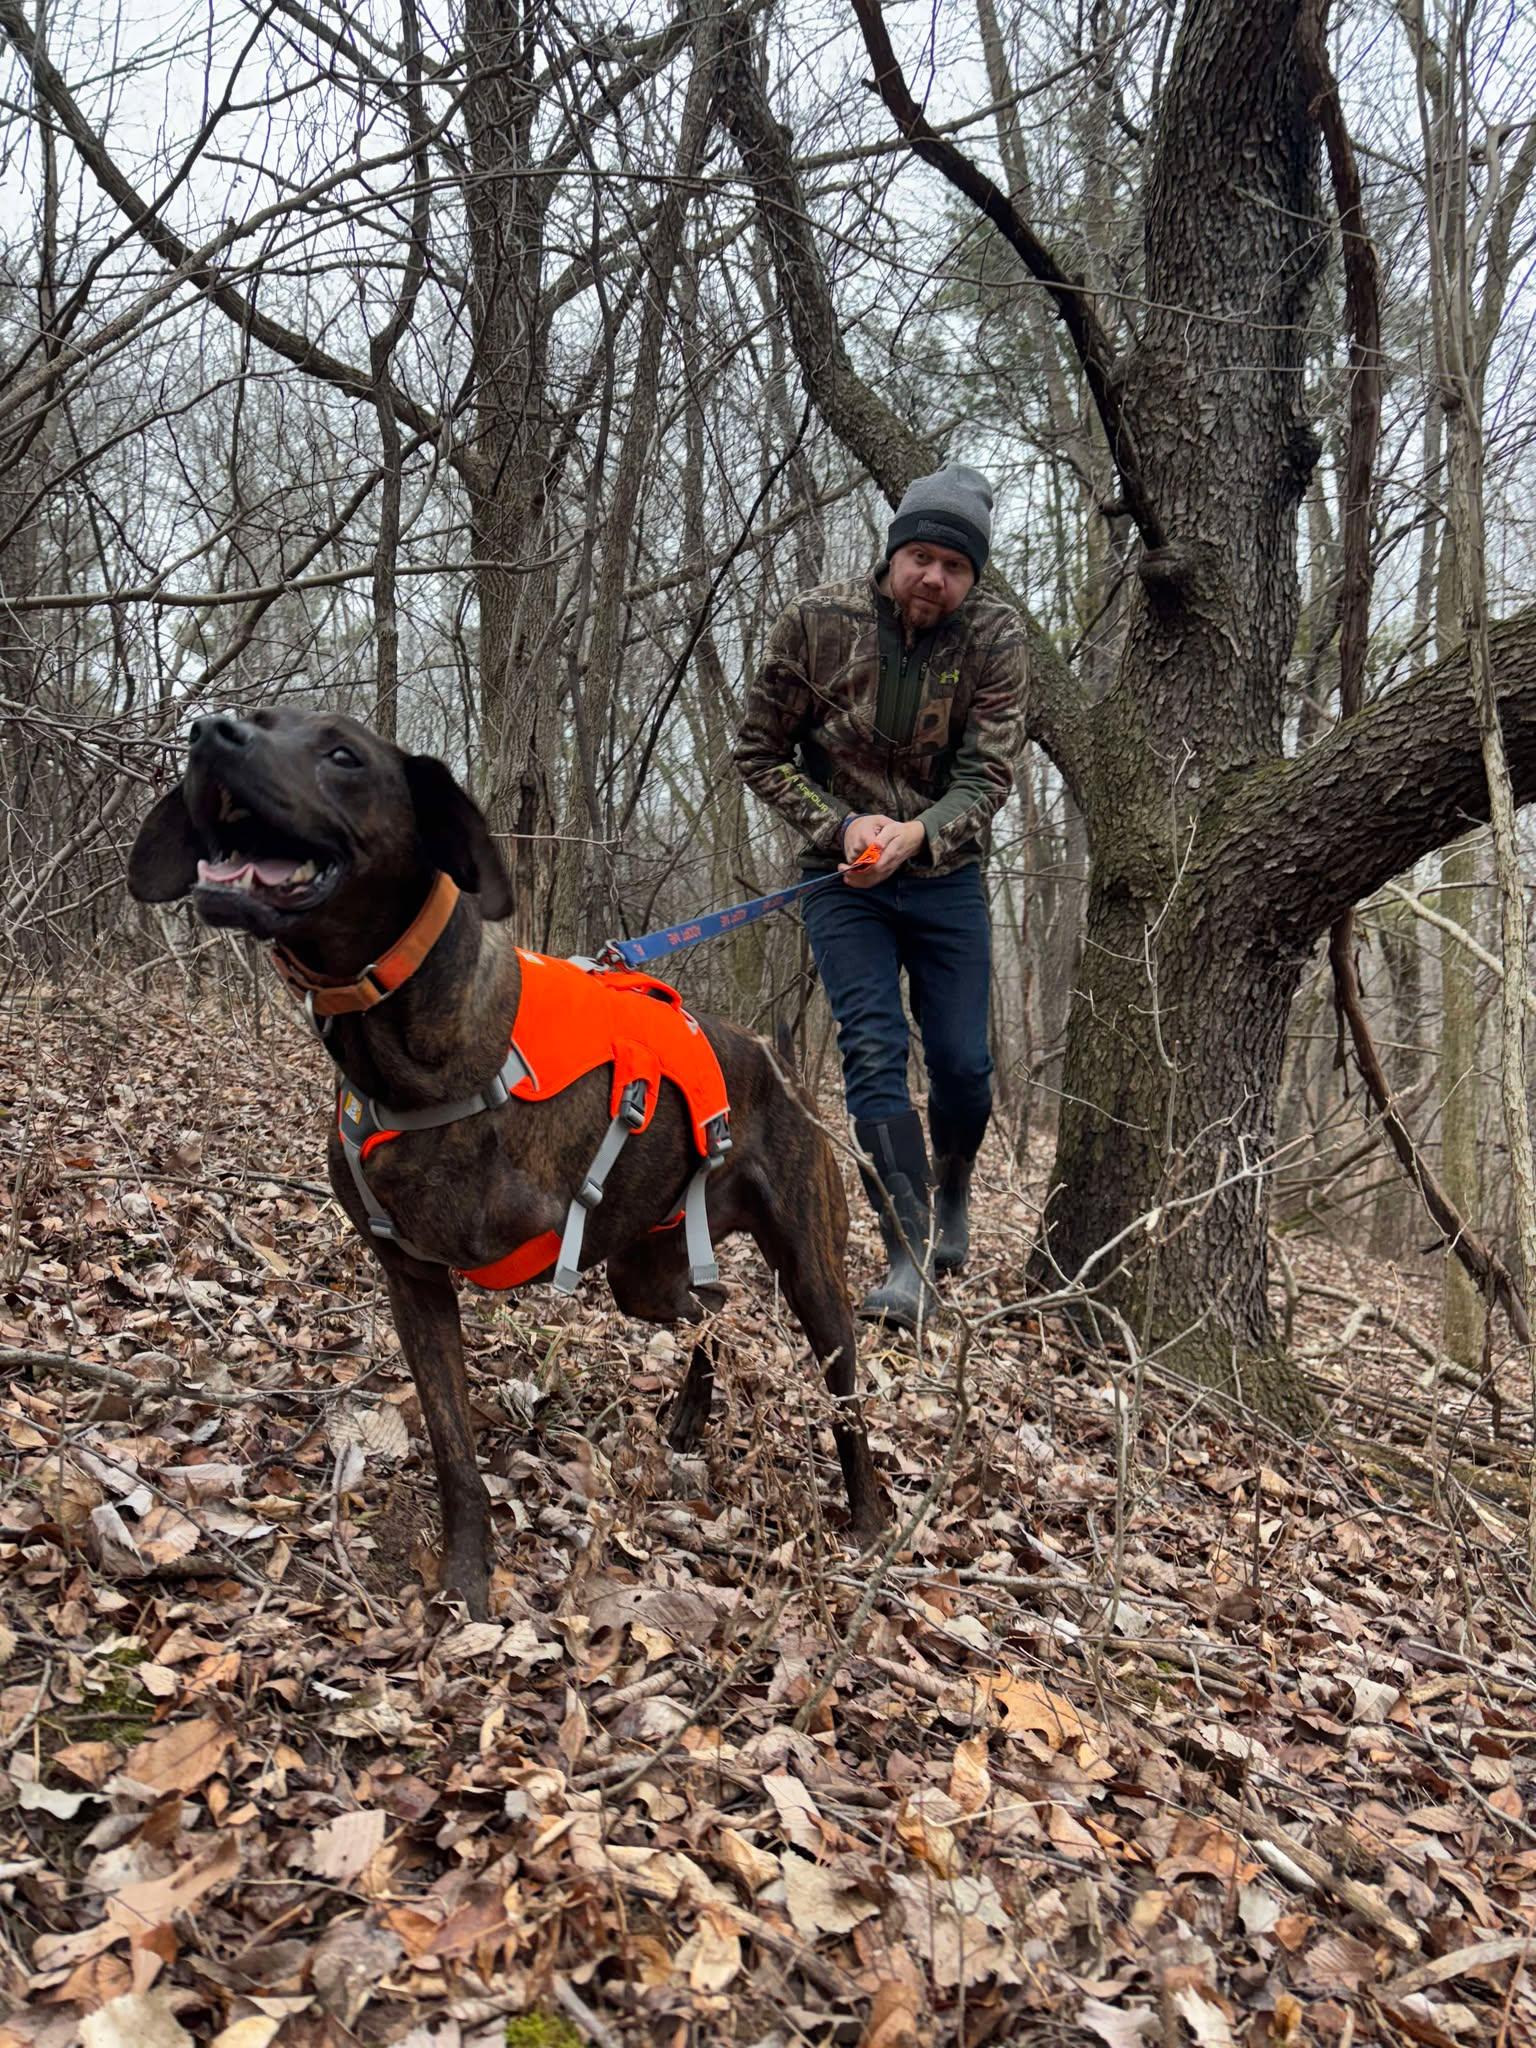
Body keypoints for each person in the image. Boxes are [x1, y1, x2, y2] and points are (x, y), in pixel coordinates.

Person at [734, 464, 1026, 1329]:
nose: (934, 578)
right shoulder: (815, 622)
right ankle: (908, 1251)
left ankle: (954, 1183)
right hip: (843, 882)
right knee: (871, 1052)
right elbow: (758, 752)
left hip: (947, 877)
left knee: (964, 1067)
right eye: (922, 557)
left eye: (955, 567)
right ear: (894, 551)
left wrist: (920, 833)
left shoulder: (995, 638)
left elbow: (990, 773)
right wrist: (842, 827)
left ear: (972, 577)